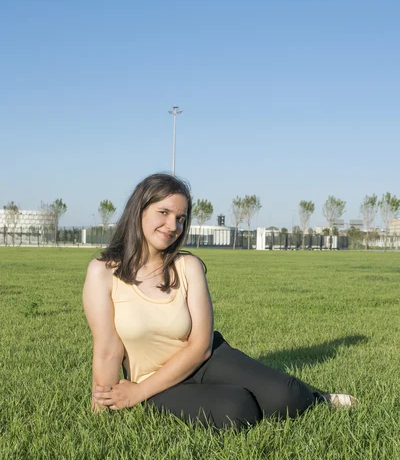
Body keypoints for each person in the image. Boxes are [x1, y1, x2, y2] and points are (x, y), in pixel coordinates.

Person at [83, 173, 358, 429]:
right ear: (138, 211)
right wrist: (107, 405)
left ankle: (317, 398)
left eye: (180, 218)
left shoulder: (188, 266)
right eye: (163, 213)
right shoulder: (103, 272)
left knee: (288, 396)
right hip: (154, 382)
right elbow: (107, 349)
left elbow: (201, 346)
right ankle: (248, 398)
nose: (172, 226)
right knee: (237, 410)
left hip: (206, 360)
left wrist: (137, 394)